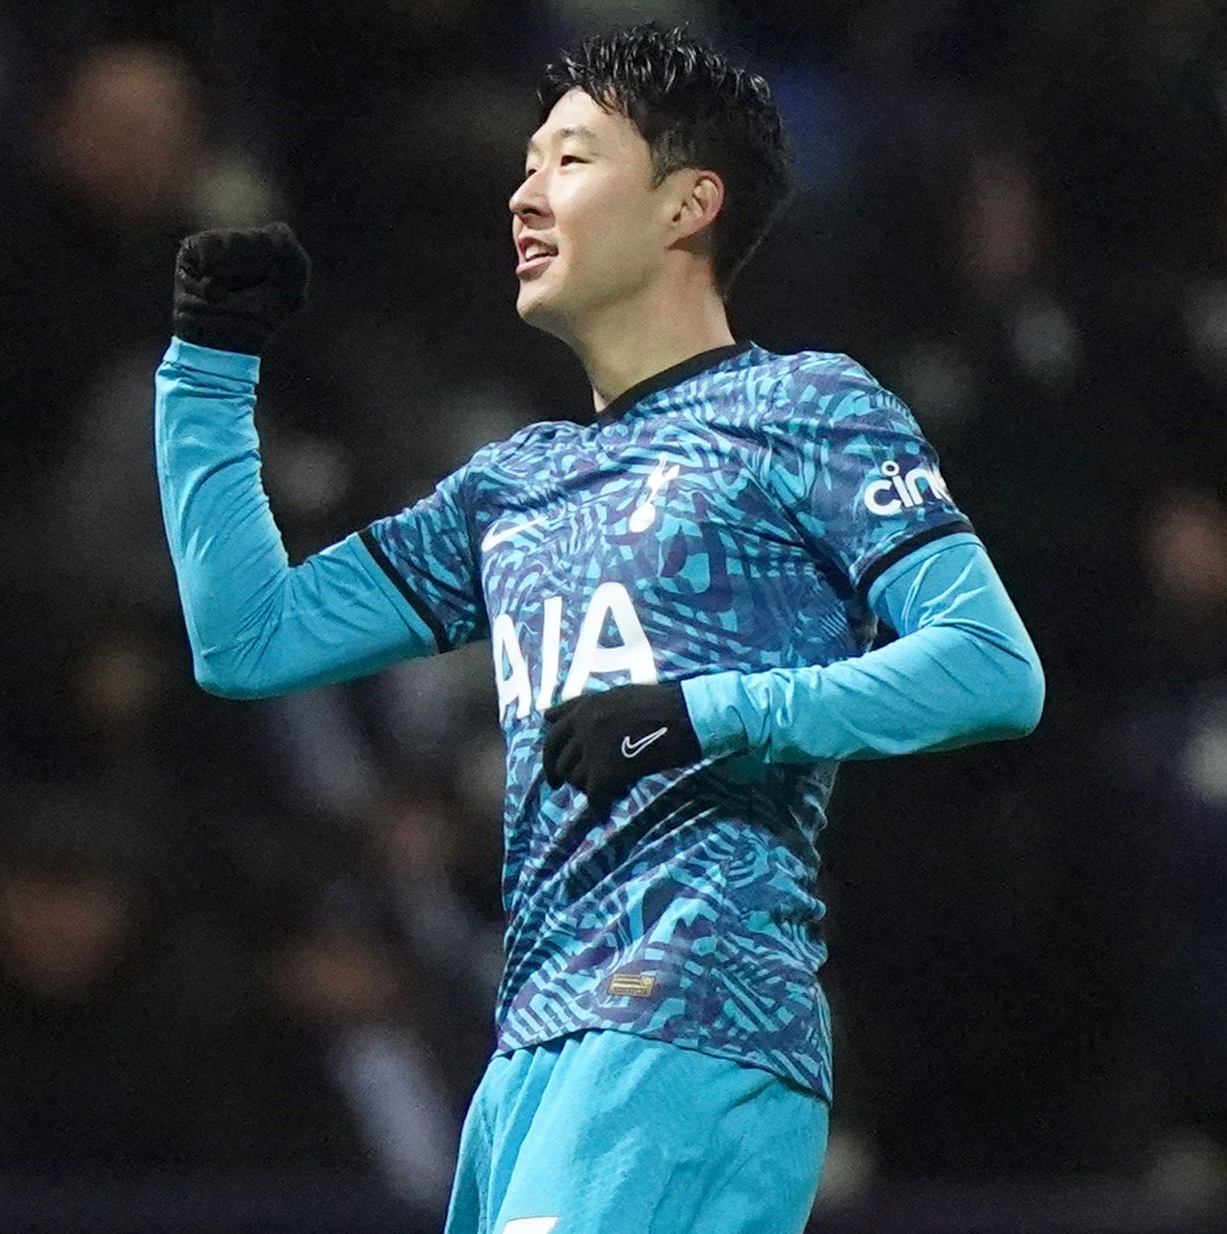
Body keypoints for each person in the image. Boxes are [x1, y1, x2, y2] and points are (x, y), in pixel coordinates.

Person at [154, 23, 1043, 1234]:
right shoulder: (514, 485)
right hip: (527, 1056)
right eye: (526, 164)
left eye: (569, 160)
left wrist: (701, 715)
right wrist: (205, 378)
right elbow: (249, 640)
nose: (523, 193)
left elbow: (991, 668)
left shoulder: (804, 409)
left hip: (692, 1019)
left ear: (689, 203)